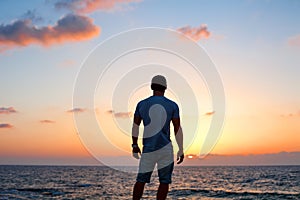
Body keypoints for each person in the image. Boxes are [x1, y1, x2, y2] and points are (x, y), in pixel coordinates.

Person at [131, 75, 184, 200]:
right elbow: (177, 128)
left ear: (151, 87)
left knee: (141, 180)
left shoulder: (142, 104)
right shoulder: (172, 105)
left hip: (149, 148)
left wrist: (134, 144)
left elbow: (135, 126)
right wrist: (181, 148)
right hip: (165, 149)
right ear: (165, 87)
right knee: (164, 182)